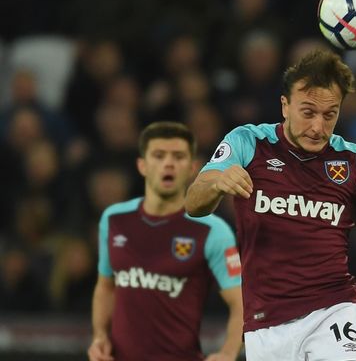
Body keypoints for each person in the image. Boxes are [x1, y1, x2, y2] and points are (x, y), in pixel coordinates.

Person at [185, 50, 356, 361]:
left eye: (330, 114)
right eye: (308, 112)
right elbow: (193, 203)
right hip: (265, 321)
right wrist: (217, 182)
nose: (318, 127)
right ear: (285, 105)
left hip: (334, 309)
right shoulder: (249, 142)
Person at [88, 122, 243, 361]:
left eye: (178, 156)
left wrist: (228, 352)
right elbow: (106, 286)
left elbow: (240, 301)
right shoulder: (114, 219)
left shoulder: (213, 230)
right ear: (142, 165)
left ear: (193, 168)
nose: (168, 163)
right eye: (159, 155)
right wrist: (100, 336)